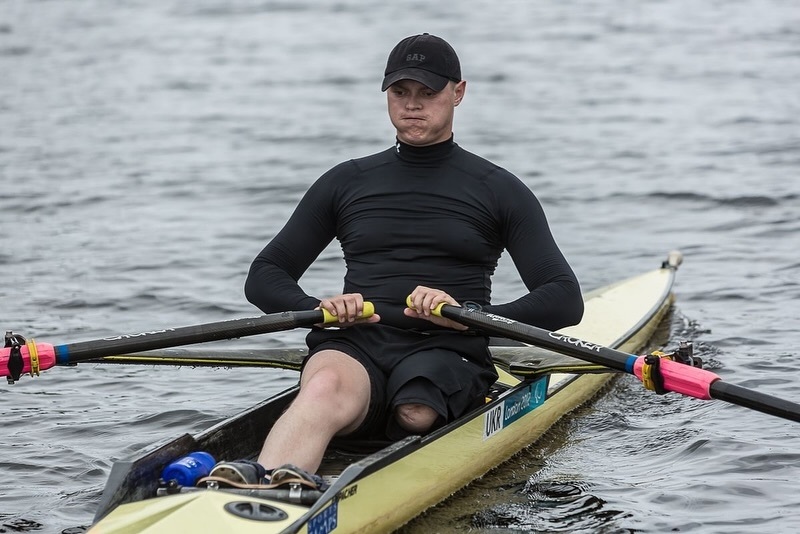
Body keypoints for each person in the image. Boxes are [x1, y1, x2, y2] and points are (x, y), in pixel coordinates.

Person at [207, 33, 584, 490]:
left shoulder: (499, 190)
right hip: (358, 341)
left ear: (458, 93)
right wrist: (320, 308)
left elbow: (564, 298)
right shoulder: (346, 182)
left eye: (428, 92)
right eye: (400, 92)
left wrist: (471, 317)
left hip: (448, 346)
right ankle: (266, 488)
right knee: (323, 387)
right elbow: (265, 275)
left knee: (416, 409)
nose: (412, 105)